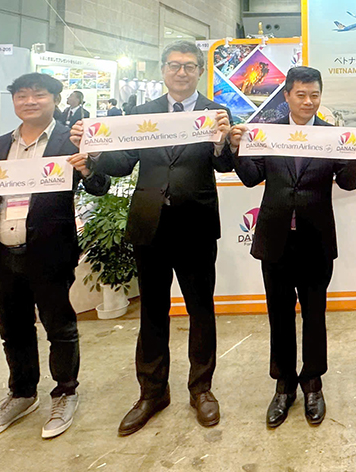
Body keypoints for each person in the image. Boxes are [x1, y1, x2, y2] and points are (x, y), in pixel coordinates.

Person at [0, 73, 109, 441]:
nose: (30, 101)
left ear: (56, 100)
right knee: (12, 330)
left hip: (49, 250)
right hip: (2, 252)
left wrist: (88, 166)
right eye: (22, 96)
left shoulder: (69, 139)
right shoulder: (0, 144)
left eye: (39, 95)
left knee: (59, 328)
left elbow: (100, 186)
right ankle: (22, 393)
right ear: (14, 102)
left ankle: (65, 393)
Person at [75, 41, 234, 436]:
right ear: (163, 70)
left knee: (201, 309)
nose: (182, 73)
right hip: (150, 225)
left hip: (196, 224)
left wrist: (222, 141)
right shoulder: (141, 114)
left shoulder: (215, 113)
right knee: (152, 312)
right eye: (175, 66)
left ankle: (202, 389)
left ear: (200, 71)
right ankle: (152, 391)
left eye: (190, 67)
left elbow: (226, 164)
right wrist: (91, 150)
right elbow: (122, 162)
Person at [228, 67, 356, 428]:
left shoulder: (333, 136)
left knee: (315, 313)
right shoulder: (268, 133)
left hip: (316, 238)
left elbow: (348, 182)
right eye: (301, 95)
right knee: (279, 315)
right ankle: (283, 385)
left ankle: (312, 383)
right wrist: (236, 149)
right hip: (275, 237)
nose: (308, 102)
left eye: (314, 95)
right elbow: (250, 178)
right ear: (288, 96)